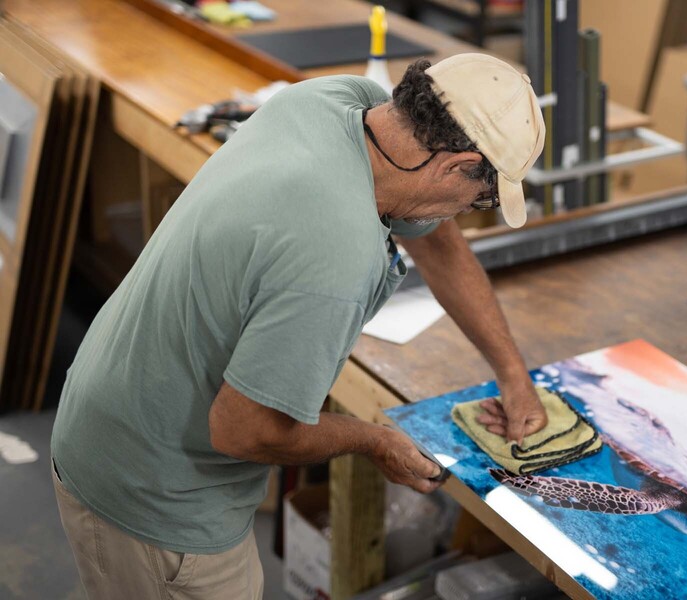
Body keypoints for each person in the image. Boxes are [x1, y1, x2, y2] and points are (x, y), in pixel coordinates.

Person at [50, 53, 548, 599]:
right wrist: (374, 441)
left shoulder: (337, 102)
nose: (467, 211)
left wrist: (512, 373)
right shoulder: (337, 252)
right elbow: (245, 430)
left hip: (111, 399)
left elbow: (435, 235)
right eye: (480, 198)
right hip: (154, 491)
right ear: (456, 164)